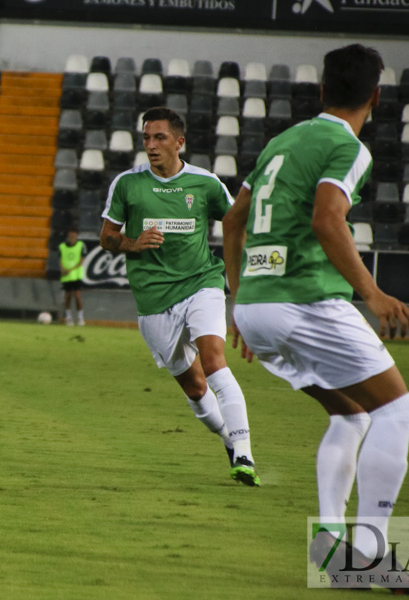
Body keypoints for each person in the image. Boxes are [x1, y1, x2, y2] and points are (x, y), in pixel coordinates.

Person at [223, 44, 409, 593]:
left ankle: (334, 548)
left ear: (320, 91)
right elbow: (327, 219)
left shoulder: (280, 142)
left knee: (352, 416)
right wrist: (374, 293)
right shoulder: (347, 146)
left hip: (259, 307)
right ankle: (372, 553)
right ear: (376, 97)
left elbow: (233, 222)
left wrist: (238, 305)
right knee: (399, 409)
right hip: (304, 300)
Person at [99, 106, 259, 486]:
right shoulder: (127, 184)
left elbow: (236, 224)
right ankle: (227, 439)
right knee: (195, 387)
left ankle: (245, 454)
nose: (151, 146)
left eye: (160, 138)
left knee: (215, 359)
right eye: (146, 138)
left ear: (179, 142)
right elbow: (106, 237)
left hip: (202, 283)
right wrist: (132, 243)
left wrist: (247, 285)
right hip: (154, 301)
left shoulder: (204, 183)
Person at [58, 229, 86, 326]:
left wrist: (71, 269)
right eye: (70, 234)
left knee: (77, 296)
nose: (72, 236)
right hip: (66, 276)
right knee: (67, 297)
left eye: (73, 234)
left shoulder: (81, 245)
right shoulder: (62, 247)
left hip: (76, 275)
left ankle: (80, 317)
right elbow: (60, 259)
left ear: (77, 235)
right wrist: (63, 269)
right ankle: (69, 318)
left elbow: (82, 260)